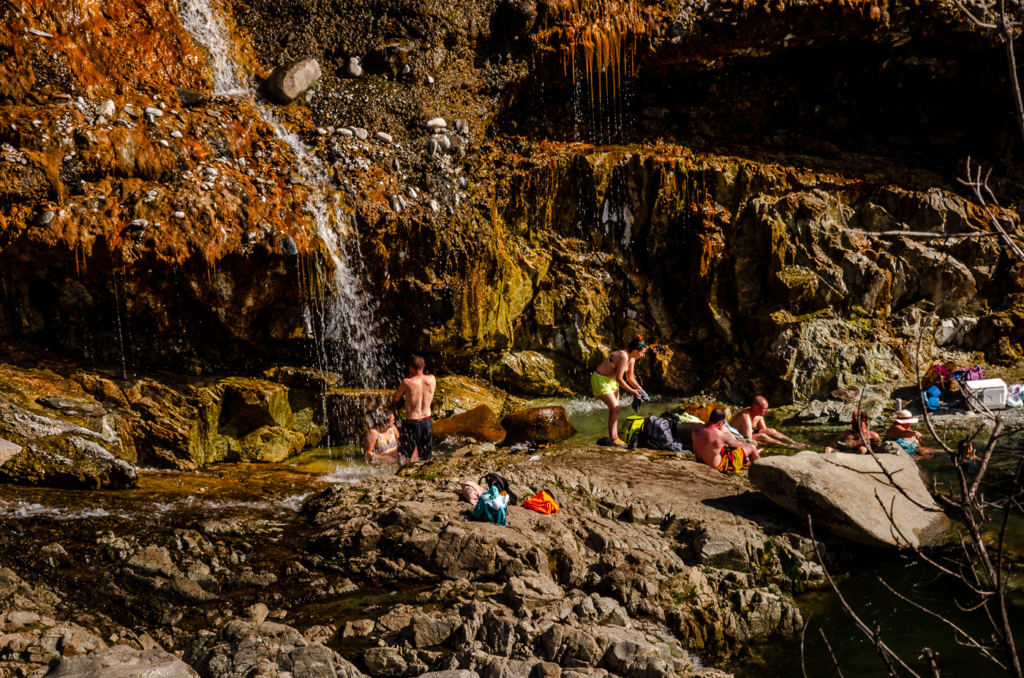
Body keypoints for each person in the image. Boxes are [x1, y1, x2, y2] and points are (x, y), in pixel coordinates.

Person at [591, 336, 649, 446]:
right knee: (615, 409)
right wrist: (632, 391)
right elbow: (619, 378)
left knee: (616, 410)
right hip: (600, 379)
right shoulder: (624, 356)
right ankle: (613, 438)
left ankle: (614, 437)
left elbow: (630, 377)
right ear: (635, 351)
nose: (642, 355)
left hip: (611, 382)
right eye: (642, 353)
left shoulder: (632, 358)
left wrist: (639, 388)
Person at [393, 355, 436, 463]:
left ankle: (402, 474)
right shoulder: (432, 379)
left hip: (413, 422)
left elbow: (396, 398)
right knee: (426, 455)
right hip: (427, 421)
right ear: (424, 366)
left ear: (411, 368)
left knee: (403, 453)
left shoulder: (407, 382)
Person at [692, 408, 761, 471]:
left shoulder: (697, 427)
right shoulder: (720, 435)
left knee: (723, 428)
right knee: (752, 447)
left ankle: (748, 458)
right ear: (719, 422)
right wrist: (745, 446)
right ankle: (761, 470)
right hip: (717, 466)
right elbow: (736, 445)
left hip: (700, 459)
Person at [730, 396, 807, 449]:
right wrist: (764, 440)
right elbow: (748, 439)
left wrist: (770, 437)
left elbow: (765, 429)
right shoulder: (745, 417)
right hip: (740, 436)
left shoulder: (758, 413)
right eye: (764, 409)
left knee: (771, 431)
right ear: (756, 408)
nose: (766, 411)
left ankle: (794, 442)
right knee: (763, 436)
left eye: (767, 408)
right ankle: (786, 446)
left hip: (750, 433)